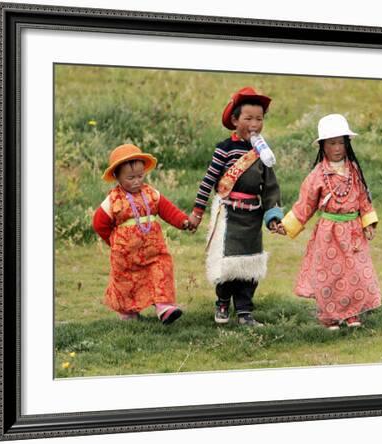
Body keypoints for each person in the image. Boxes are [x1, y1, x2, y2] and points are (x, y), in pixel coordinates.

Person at [188, 86, 284, 327]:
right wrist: (197, 212)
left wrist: (272, 216)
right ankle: (222, 302)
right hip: (229, 215)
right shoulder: (225, 149)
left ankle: (244, 311)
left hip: (252, 217)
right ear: (234, 119)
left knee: (250, 264)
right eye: (248, 118)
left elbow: (270, 187)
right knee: (228, 263)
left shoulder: (263, 152)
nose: (254, 123)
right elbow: (209, 181)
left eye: (259, 119)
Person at [280, 114, 381, 330]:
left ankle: (352, 312)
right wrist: (287, 224)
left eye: (341, 143)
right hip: (329, 233)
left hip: (353, 232)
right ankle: (330, 316)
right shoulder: (318, 175)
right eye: (332, 143)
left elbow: (363, 198)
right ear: (323, 146)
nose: (337, 148)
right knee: (330, 275)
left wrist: (368, 222)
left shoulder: (354, 171)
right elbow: (305, 203)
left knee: (354, 272)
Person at [92, 144, 191, 325]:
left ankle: (164, 306)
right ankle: (129, 312)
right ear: (117, 176)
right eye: (130, 178)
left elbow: (168, 210)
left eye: (140, 176)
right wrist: (114, 241)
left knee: (161, 270)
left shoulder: (151, 194)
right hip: (126, 255)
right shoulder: (114, 199)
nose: (137, 181)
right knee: (127, 282)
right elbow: (99, 223)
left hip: (154, 250)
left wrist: (183, 221)